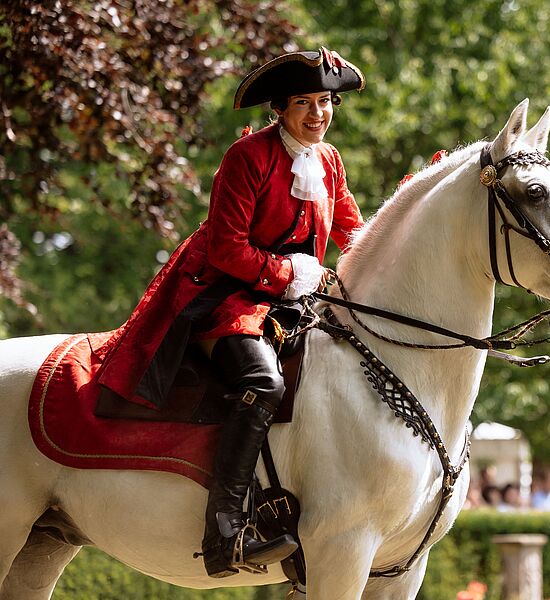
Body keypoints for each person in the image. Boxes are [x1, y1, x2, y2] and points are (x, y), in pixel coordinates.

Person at [95, 46, 366, 577]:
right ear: (280, 109)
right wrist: (289, 274)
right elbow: (226, 249)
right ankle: (224, 530)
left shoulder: (329, 160)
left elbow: (352, 232)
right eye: (306, 103)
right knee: (263, 383)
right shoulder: (247, 158)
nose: (319, 114)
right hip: (225, 297)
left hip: (296, 300)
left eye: (326, 102)